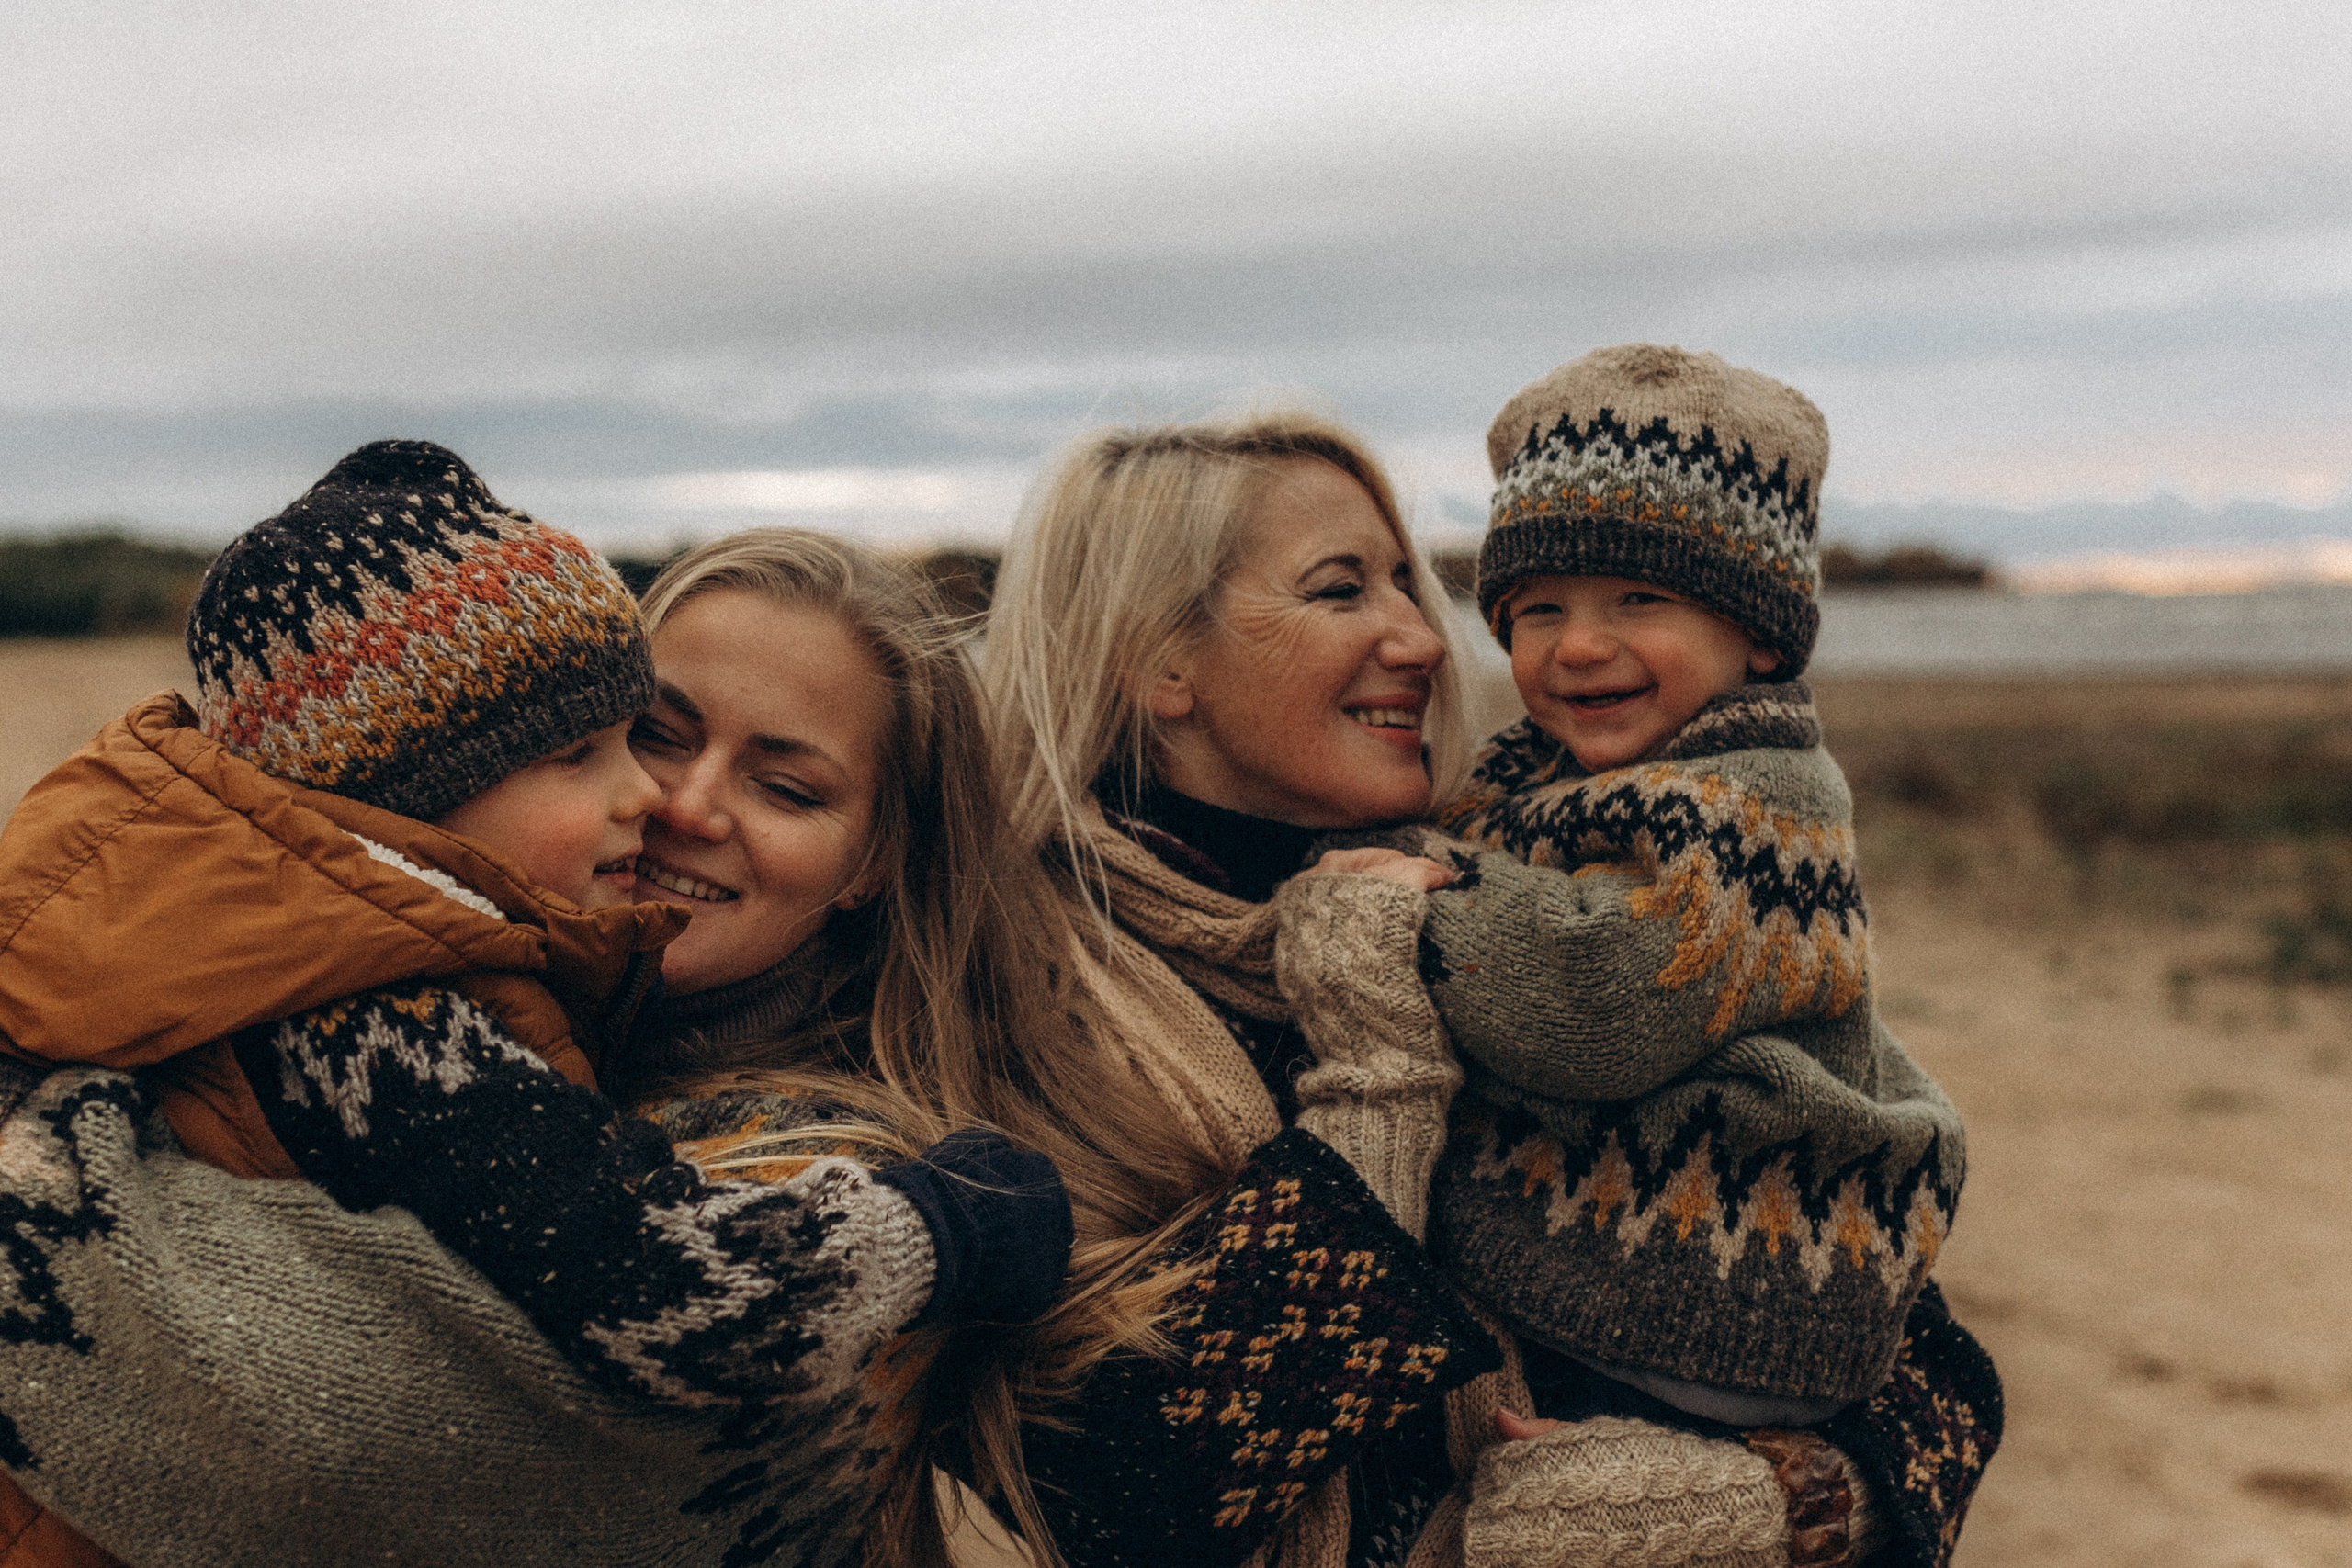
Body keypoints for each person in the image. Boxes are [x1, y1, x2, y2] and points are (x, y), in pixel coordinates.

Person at [0, 457, 1070, 1568]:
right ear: (422, 788)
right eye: (624, 738)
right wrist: (951, 1223)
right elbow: (677, 1297)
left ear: (880, 859)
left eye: (788, 788)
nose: (665, 801)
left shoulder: (795, 1131)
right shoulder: (384, 1014)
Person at [982, 411, 2003, 1568]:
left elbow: (1925, 1363)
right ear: (1154, 660)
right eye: (1338, 591)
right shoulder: (1025, 1018)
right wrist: (1376, 1075)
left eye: (1409, 585)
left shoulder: (1518, 910)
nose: (1422, 638)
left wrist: (1775, 1505)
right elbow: (1117, 1497)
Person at [1395, 344, 1971, 1440]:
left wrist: (1427, 897)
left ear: (1758, 631)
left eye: (1638, 598)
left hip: (1721, 1287)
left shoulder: (1756, 804)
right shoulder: (1559, 776)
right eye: (1537, 610)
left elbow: (1594, 1007)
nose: (1581, 646)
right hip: (1639, 1269)